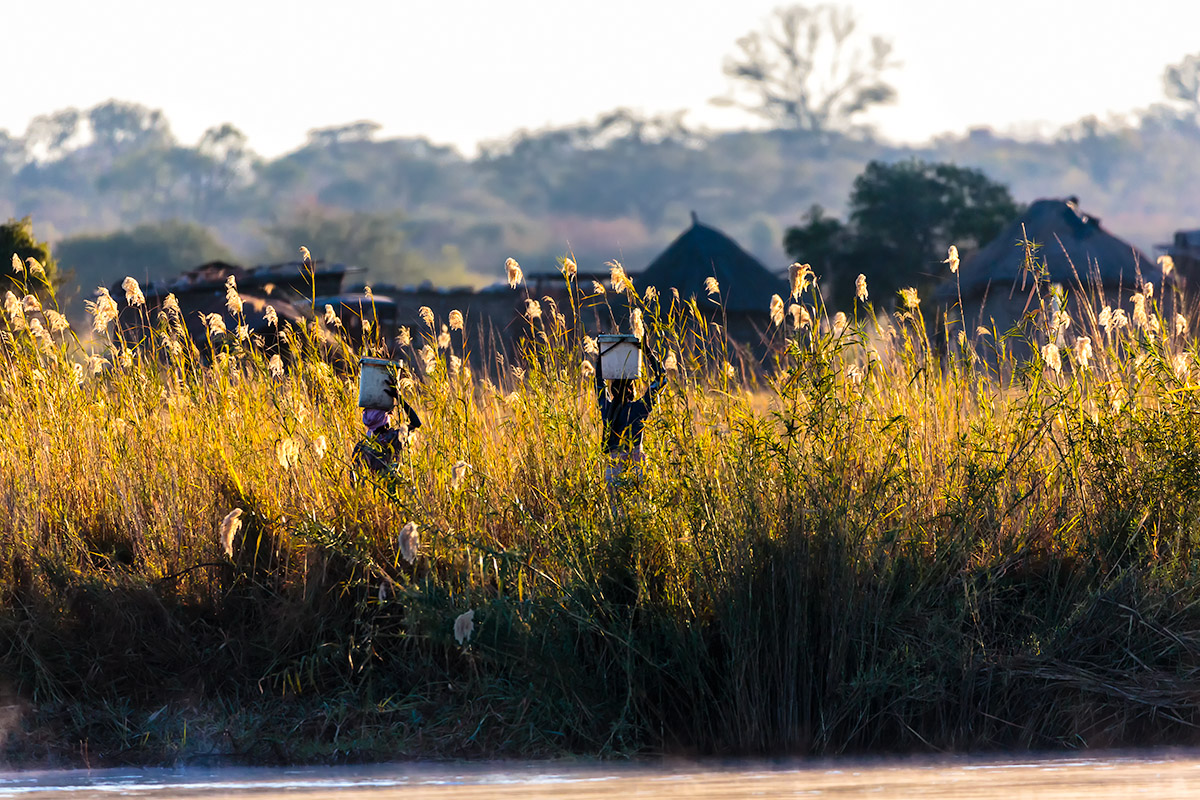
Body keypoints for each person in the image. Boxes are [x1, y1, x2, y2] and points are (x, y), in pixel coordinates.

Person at [596, 346, 665, 489]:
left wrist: (602, 355)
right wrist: (647, 351)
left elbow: (599, 382)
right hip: (637, 469)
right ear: (632, 390)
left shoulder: (607, 410)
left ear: (612, 389)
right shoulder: (640, 409)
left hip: (613, 470)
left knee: (615, 510)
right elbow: (661, 378)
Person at [355, 371, 421, 474]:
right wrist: (398, 398)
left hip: (372, 489)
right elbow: (416, 423)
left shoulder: (362, 446)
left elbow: (354, 477)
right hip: (392, 487)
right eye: (388, 415)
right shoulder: (393, 438)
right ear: (384, 421)